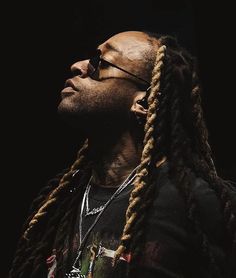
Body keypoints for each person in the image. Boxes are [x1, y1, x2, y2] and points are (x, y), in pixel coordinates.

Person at [9, 31, 236, 278]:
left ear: (144, 102)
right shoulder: (61, 201)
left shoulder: (196, 202)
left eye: (101, 63)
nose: (77, 66)